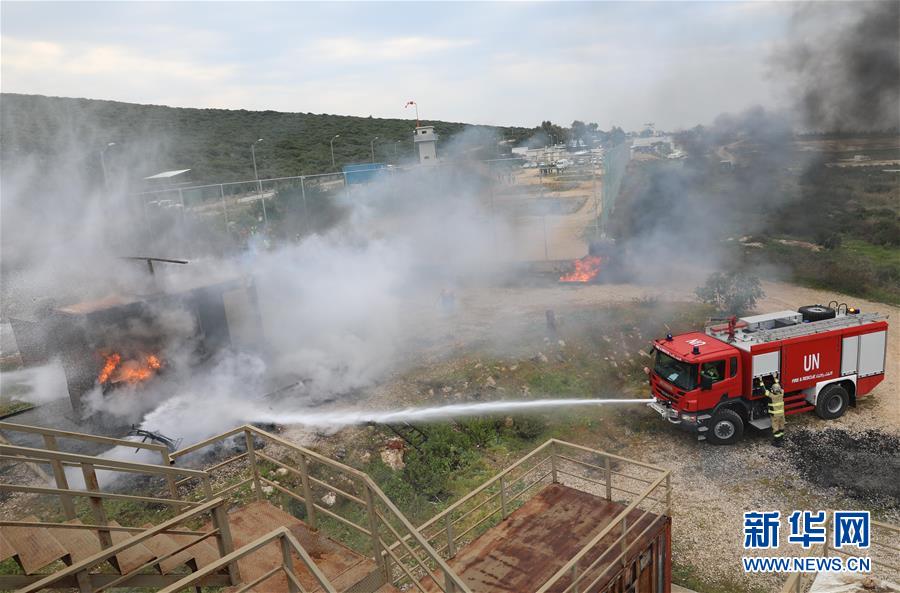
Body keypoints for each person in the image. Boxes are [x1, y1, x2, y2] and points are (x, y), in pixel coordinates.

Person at [766, 373, 786, 446]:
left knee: (775, 428)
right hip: (781, 414)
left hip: (775, 415)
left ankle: (777, 442)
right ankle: (781, 439)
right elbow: (779, 385)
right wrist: (775, 378)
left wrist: (761, 381)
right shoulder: (782, 393)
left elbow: (764, 390)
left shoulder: (772, 396)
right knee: (781, 426)